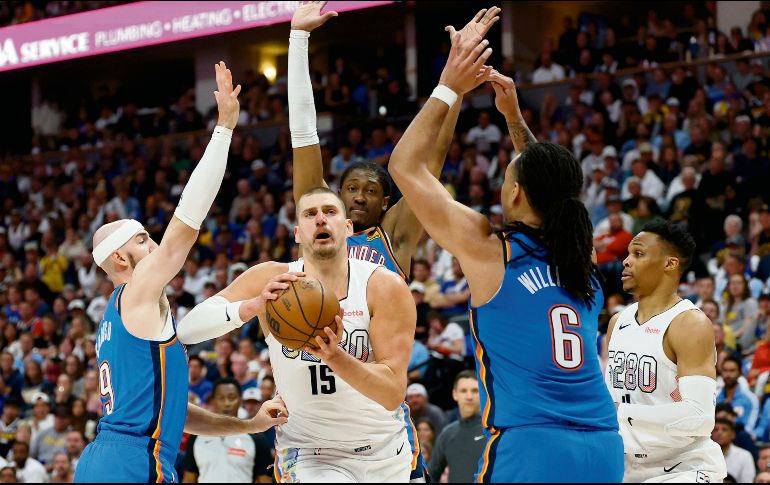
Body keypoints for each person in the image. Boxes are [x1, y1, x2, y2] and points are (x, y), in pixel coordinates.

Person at [388, 36, 623, 483]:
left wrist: (448, 86)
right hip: (604, 447)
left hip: (532, 445)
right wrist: (513, 117)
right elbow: (554, 185)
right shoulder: (581, 252)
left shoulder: (491, 249)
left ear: (514, 191)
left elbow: (404, 166)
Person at [286, 3, 500, 480]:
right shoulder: (317, 221)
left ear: (387, 205)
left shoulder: (394, 235)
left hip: (377, 407)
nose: (358, 198)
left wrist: (456, 86)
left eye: (371, 192)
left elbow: (432, 159)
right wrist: (297, 41)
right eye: (351, 190)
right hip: (318, 409)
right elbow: (303, 135)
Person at [73, 62, 288, 483]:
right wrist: (224, 128)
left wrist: (249, 425)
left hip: (111, 459)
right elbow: (185, 225)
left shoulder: (122, 320)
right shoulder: (135, 294)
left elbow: (177, 414)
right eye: (141, 241)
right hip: (133, 461)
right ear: (120, 260)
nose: (152, 247)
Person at [183, 187, 417, 482]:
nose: (320, 219)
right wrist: (253, 305)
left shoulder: (383, 286)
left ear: (347, 228)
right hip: (310, 452)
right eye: (310, 214)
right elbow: (188, 329)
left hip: (384, 450)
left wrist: (335, 357)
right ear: (296, 233)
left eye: (330, 212)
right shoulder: (271, 280)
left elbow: (393, 393)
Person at [606, 220, 727, 482]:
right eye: (628, 254)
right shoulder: (617, 322)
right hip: (626, 467)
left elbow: (700, 417)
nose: (626, 261)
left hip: (683, 468)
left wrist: (619, 412)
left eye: (638, 254)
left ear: (670, 264)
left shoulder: (689, 324)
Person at [182, 378, 273, 483]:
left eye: (232, 397)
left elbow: (265, 480)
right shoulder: (196, 435)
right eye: (221, 398)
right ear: (213, 401)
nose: (227, 403)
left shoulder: (257, 437)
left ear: (240, 400)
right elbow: (189, 479)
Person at [428, 370, 486, 483]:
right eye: (463, 391)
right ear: (455, 394)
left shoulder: (492, 431)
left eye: (475, 391)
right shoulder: (447, 433)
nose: (469, 396)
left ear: (483, 394)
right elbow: (430, 476)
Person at [713, 418, 756, 483]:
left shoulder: (745, 456)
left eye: (724, 430)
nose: (719, 433)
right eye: (715, 430)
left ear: (733, 434)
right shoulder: (703, 454)